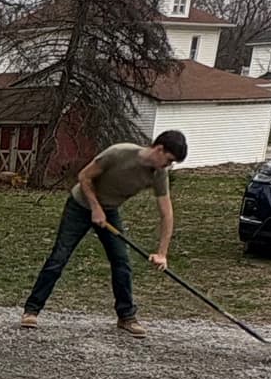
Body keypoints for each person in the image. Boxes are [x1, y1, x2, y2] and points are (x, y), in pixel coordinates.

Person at [20, 130, 187, 336]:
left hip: (108, 212)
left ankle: (126, 317)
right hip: (80, 205)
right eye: (168, 160)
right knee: (59, 257)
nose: (168, 166)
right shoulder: (118, 153)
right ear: (159, 149)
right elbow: (84, 176)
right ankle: (32, 310)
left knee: (121, 262)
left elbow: (166, 213)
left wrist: (162, 253)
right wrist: (95, 207)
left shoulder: (159, 174)